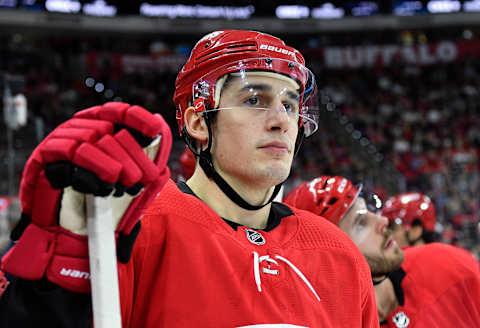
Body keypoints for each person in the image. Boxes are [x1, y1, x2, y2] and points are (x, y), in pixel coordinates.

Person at [0, 30, 379, 327]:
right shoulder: (133, 228)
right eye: (253, 99)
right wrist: (52, 292)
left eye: (291, 103)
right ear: (199, 122)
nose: (283, 120)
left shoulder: (341, 255)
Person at [284, 176, 480, 327]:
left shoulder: (448, 264)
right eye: (360, 223)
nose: (383, 221)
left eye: (370, 210)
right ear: (323, 260)